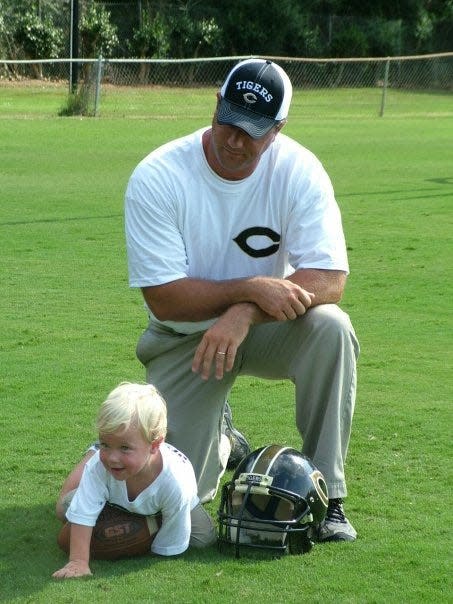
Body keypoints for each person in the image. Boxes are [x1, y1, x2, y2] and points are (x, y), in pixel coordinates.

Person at [124, 59, 360, 542]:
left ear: (277, 129)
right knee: (187, 517)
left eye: (252, 131)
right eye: (228, 120)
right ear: (215, 104)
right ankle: (222, 443)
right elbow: (166, 299)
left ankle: (329, 496)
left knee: (332, 327)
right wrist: (250, 288)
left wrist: (246, 310)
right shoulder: (158, 175)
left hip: (268, 327)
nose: (235, 140)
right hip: (184, 339)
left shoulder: (298, 170)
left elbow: (332, 277)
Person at [52, 382, 216, 579]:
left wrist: (140, 541)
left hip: (167, 502)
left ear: (154, 445)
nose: (112, 457)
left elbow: (169, 545)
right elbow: (83, 511)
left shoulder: (175, 481)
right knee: (66, 507)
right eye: (106, 444)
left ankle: (223, 442)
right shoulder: (100, 466)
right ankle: (92, 452)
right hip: (118, 497)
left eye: (124, 448)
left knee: (202, 539)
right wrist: (78, 561)